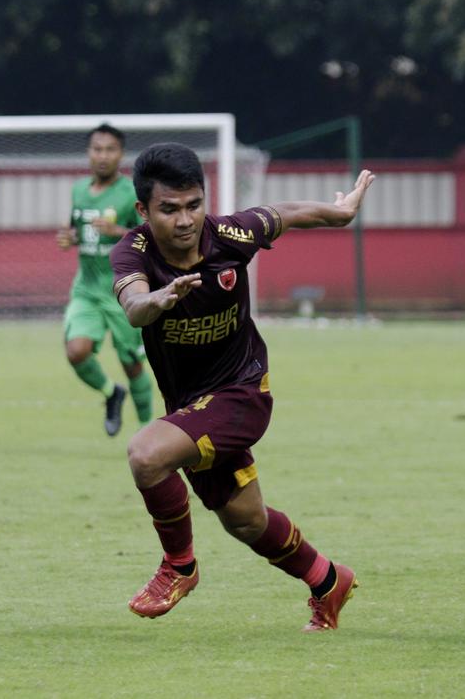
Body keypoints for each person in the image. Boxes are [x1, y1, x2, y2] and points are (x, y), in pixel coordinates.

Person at [109, 142, 375, 631]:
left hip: (242, 392)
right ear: (144, 211)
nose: (185, 220)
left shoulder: (232, 235)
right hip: (191, 406)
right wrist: (161, 298)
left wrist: (338, 214)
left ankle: (179, 567)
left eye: (194, 204)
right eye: (169, 209)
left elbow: (287, 212)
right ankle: (328, 581)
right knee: (246, 520)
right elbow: (133, 308)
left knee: (146, 454)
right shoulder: (133, 252)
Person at [56, 123, 153, 436]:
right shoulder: (79, 190)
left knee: (131, 363)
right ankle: (112, 393)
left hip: (122, 289)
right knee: (76, 351)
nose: (103, 156)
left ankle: (148, 432)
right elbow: (78, 228)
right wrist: (69, 236)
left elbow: (150, 237)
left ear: (121, 154)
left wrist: (119, 233)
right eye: (97, 149)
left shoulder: (131, 194)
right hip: (86, 289)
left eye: (110, 149)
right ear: (88, 153)